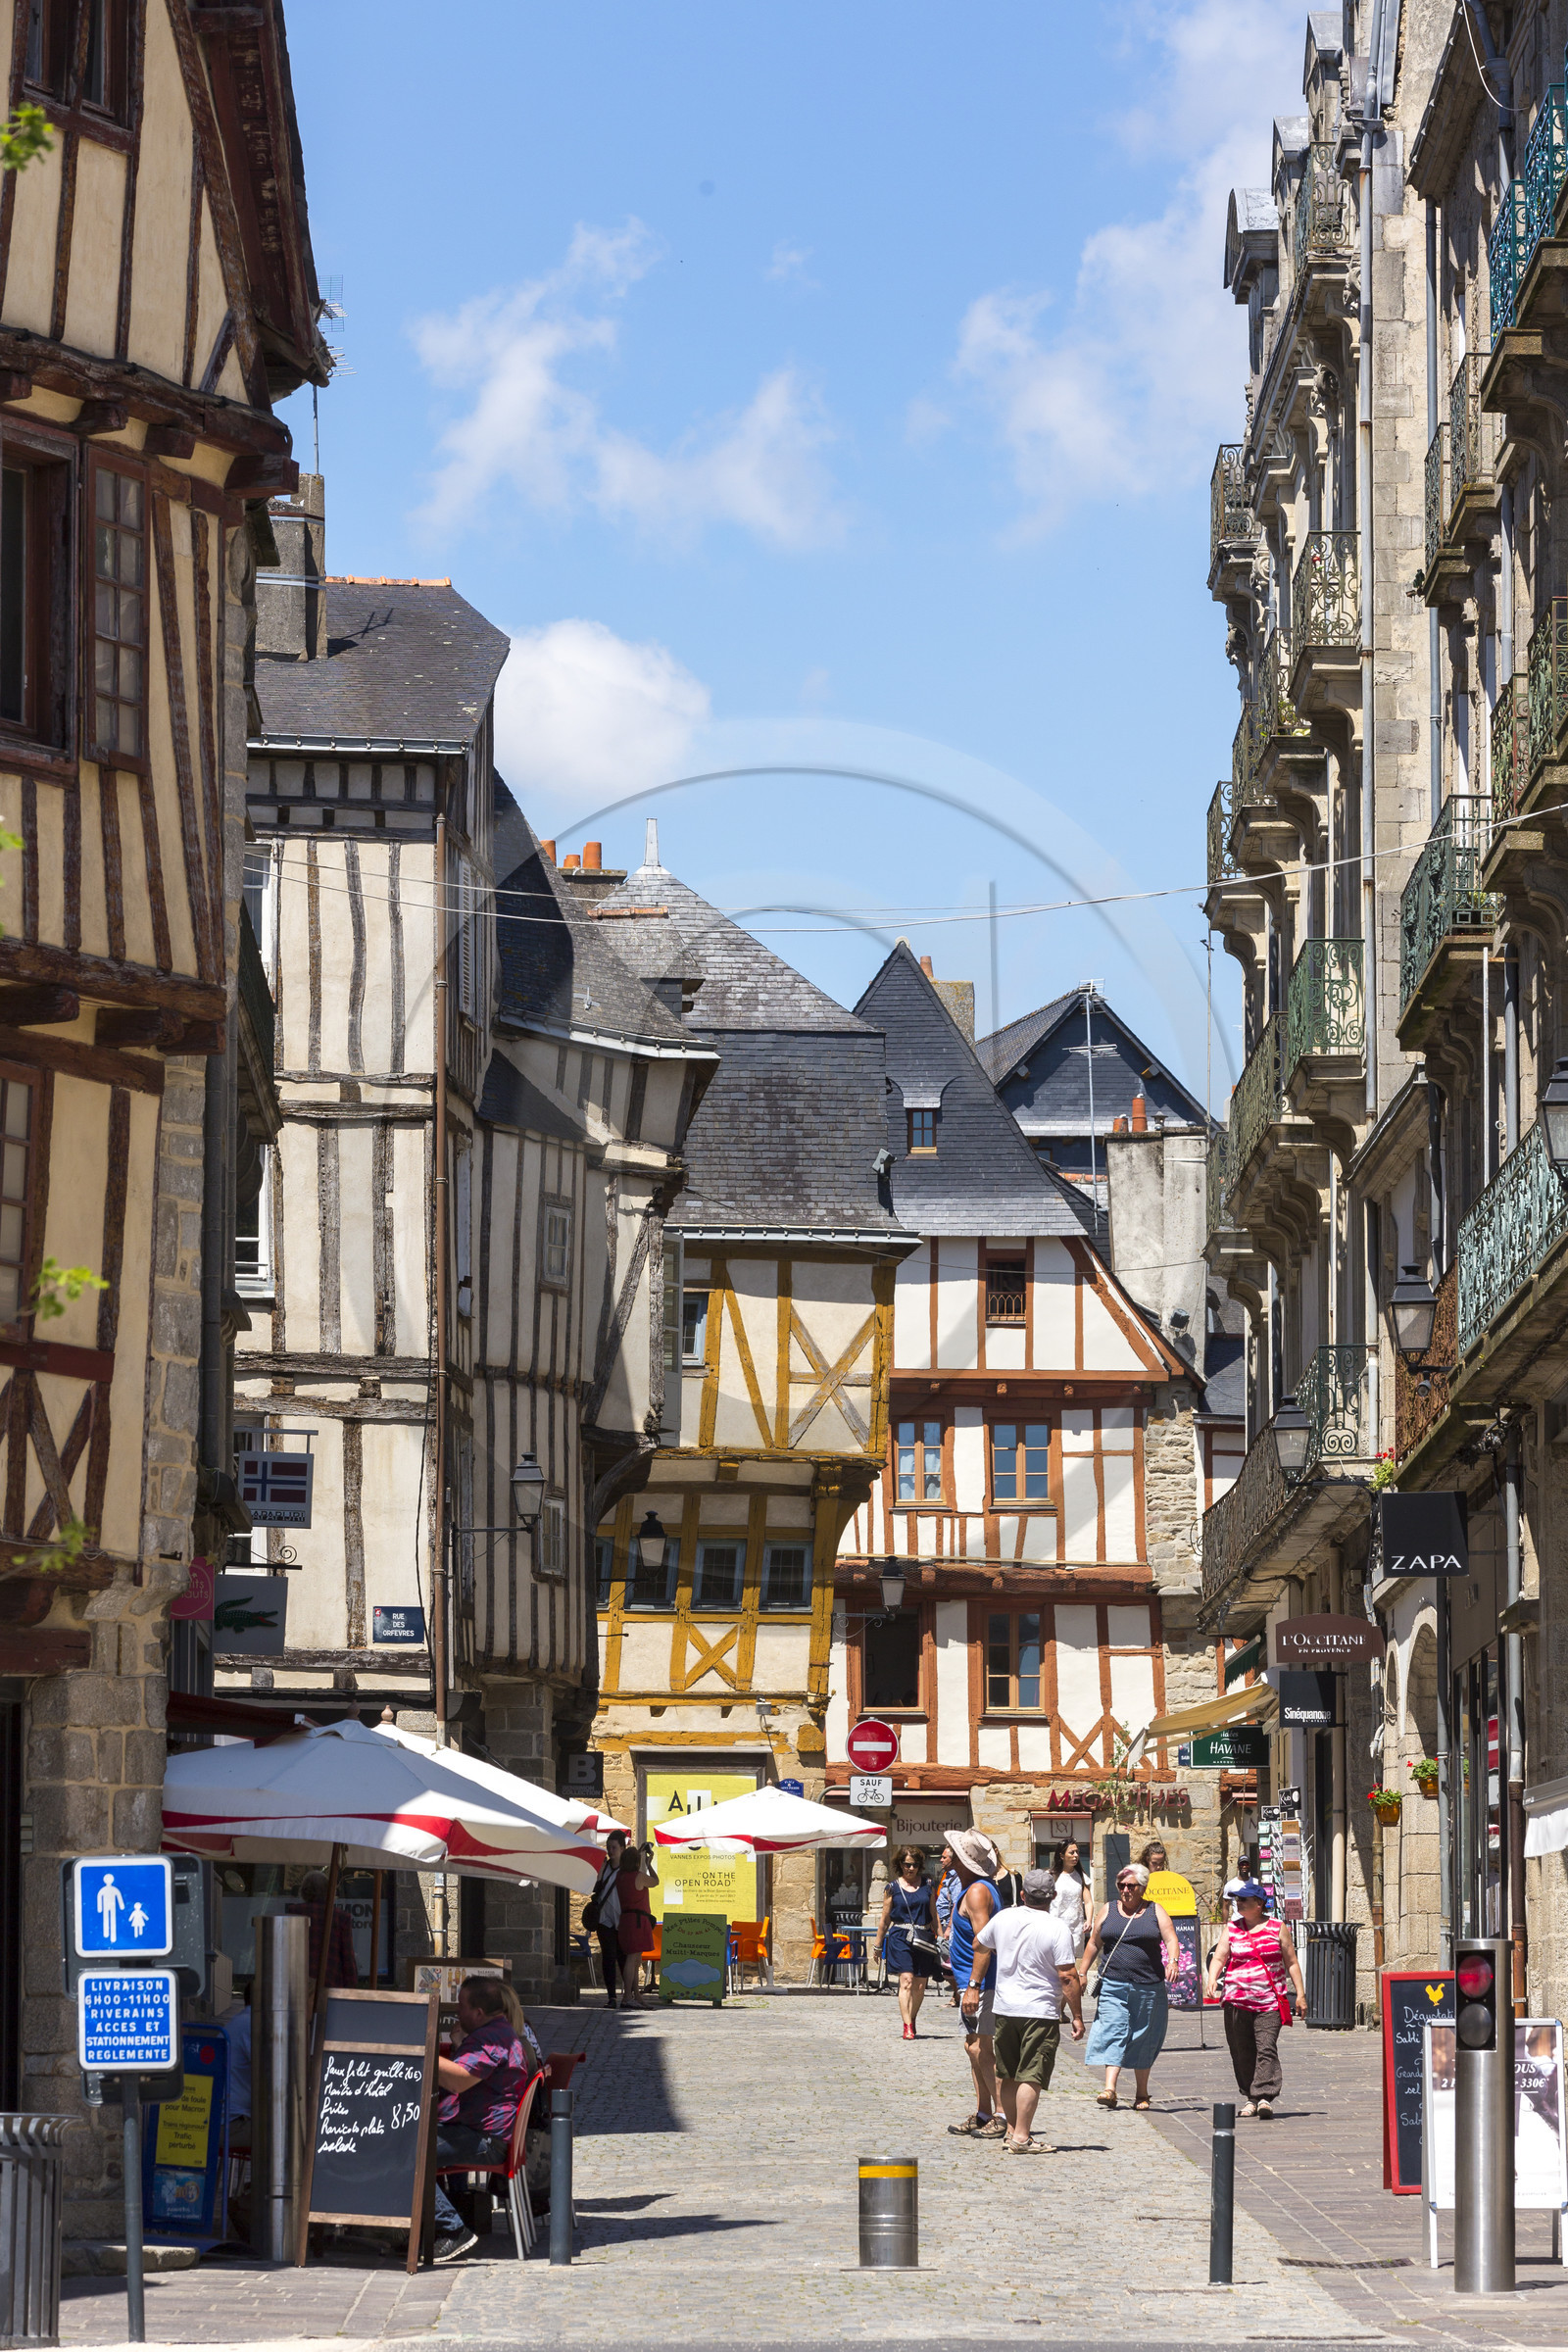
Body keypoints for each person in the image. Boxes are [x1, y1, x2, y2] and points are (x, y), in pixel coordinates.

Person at [963, 1867, 1084, 2153]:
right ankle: (1021, 2137)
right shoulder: (1056, 1928)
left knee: (1008, 2073)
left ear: (1022, 1894)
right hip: (1039, 2010)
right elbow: (1067, 1975)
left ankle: (1013, 2133)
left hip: (1005, 2007)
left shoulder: (1005, 1917)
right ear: (1052, 1896)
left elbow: (978, 1943)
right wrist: (1077, 2015)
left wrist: (976, 1981)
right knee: (1032, 2073)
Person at [430, 1975, 530, 2263]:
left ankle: (451, 2229)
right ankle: (428, 2226)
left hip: (486, 2140)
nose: (456, 2012)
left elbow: (459, 2081)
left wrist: (420, 2050)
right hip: (486, 2134)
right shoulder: (500, 2032)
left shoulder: (489, 2038)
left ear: (478, 2013)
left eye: (461, 2007)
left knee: (407, 2153)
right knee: (418, 2138)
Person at [1081, 1860, 1181, 2110]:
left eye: (1130, 1886)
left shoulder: (1155, 1911)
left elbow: (1171, 1939)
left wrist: (1174, 1961)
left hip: (1148, 1986)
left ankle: (1142, 2093)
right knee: (1113, 2030)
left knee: (1142, 2037)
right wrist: (1082, 1971)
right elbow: (1094, 1943)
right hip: (1113, 1984)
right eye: (1121, 1885)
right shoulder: (1108, 1910)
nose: (1125, 1890)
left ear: (1142, 1888)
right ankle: (1109, 2089)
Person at [1202, 1881, 1306, 2118]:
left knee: (1266, 2047)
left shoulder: (1277, 1927)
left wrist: (1300, 1995)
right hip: (1236, 2000)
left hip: (1269, 2000)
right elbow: (1219, 1957)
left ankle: (1264, 2097)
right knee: (1242, 2050)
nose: (1238, 1903)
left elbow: (1291, 1962)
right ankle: (1251, 2097)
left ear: (1259, 1904)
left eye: (1243, 1900)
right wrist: (1212, 1978)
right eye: (1237, 1900)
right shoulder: (1232, 1928)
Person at [945, 1828, 1004, 2138]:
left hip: (983, 1982)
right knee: (973, 2047)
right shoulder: (974, 1887)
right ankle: (983, 2112)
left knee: (981, 2048)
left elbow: (985, 1943)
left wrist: (973, 1985)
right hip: (975, 1980)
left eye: (953, 1852)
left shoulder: (978, 1892)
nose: (948, 1855)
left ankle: (1001, 2113)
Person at [874, 1846, 939, 2037]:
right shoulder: (892, 1888)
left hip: (923, 1937)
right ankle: (907, 2026)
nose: (911, 1869)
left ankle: (911, 2017)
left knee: (920, 1985)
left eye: (915, 1865)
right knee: (906, 1980)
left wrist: (942, 1938)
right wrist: (878, 1945)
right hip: (900, 1937)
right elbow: (885, 1919)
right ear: (900, 1864)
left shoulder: (928, 1885)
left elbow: (934, 1915)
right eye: (907, 1864)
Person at [287, 1868, 359, 1989]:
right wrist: (351, 1987)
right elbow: (347, 1956)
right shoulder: (341, 1917)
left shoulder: (293, 1912)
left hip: (298, 1982)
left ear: (304, 1891)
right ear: (329, 1891)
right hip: (331, 1981)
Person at [614, 1838, 660, 2008]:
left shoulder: (620, 1876)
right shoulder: (638, 1877)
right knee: (632, 1959)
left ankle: (637, 1996)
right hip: (637, 1921)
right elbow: (655, 1882)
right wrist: (649, 1864)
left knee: (634, 1960)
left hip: (626, 1920)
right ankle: (627, 1997)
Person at [587, 1833, 626, 2006]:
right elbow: (595, 1887)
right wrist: (602, 1869)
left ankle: (628, 1996)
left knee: (623, 1957)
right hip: (604, 1918)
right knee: (608, 1958)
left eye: (614, 1847)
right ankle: (612, 1997)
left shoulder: (628, 1869)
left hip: (622, 1918)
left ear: (622, 1849)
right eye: (609, 1847)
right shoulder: (604, 1866)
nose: (610, 1851)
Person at [1050, 1838, 1091, 1955]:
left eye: (1077, 1852)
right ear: (1062, 1855)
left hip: (1075, 1927)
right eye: (1071, 1853)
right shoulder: (1051, 1876)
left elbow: (1088, 1902)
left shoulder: (1081, 1876)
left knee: (1071, 1960)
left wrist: (1088, 1920)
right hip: (1055, 1924)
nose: (1075, 1855)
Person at [933, 1844, 960, 2003]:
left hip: (949, 1927)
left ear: (953, 1859)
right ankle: (956, 1994)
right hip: (942, 1925)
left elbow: (956, 1905)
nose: (941, 1859)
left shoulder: (956, 1878)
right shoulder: (948, 1876)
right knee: (946, 1965)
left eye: (944, 1857)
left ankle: (958, 1994)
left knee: (948, 1965)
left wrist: (949, 1927)